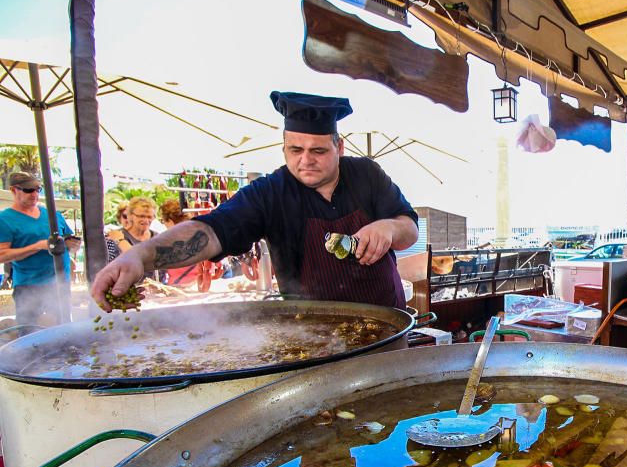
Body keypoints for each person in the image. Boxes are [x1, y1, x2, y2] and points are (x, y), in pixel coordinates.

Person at [92, 91, 418, 311]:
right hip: (315, 333)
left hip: (386, 324)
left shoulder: (367, 174)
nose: (306, 160)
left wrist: (389, 227)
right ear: (284, 148)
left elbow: (409, 227)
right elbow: (210, 231)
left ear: (339, 147)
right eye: (295, 150)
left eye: (318, 151)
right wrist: (142, 255)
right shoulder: (269, 192)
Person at [0, 172, 81, 325]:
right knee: (29, 332)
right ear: (13, 190)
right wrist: (38, 246)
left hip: (59, 284)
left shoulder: (53, 215)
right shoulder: (4, 219)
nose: (34, 194)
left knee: (63, 330)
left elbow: (67, 242)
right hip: (29, 286)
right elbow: (2, 255)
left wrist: (72, 245)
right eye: (28, 190)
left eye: (38, 189)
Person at [157, 199, 200, 286]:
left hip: (177, 291)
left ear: (170, 221)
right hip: (201, 288)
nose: (164, 224)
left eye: (163, 221)